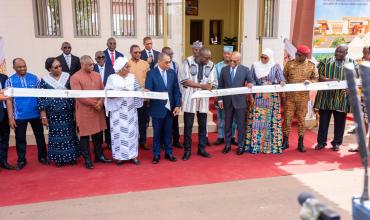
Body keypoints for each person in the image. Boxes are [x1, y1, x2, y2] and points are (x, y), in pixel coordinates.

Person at [6, 58, 48, 170]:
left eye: (24, 66)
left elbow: (41, 96)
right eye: (19, 67)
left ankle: (43, 157)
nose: (22, 68)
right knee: (20, 139)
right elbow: (9, 100)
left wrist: (42, 114)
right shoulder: (9, 81)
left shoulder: (34, 78)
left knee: (40, 137)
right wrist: (11, 117)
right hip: (19, 116)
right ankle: (21, 160)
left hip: (35, 114)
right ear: (14, 68)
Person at [70, 55, 112, 169]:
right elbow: (78, 96)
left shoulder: (97, 75)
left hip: (98, 109)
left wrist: (101, 102)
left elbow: (103, 91)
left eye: (93, 64)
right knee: (84, 136)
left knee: (98, 134)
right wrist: (95, 103)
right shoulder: (75, 77)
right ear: (83, 65)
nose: (93, 66)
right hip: (84, 111)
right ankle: (87, 159)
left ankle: (99, 156)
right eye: (90, 65)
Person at [37, 58, 80, 167]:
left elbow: (74, 94)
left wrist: (76, 112)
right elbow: (41, 98)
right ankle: (59, 158)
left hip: (68, 112)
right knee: (56, 136)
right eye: (56, 67)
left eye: (60, 66)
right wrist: (43, 115)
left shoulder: (67, 77)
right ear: (49, 69)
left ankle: (71, 157)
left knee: (70, 134)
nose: (59, 68)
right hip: (53, 114)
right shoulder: (45, 80)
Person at [314, 45, 355, 151]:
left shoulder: (352, 63)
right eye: (337, 51)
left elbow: (357, 78)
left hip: (342, 98)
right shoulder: (325, 62)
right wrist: (329, 80)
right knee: (323, 121)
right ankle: (321, 142)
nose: (338, 54)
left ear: (346, 53)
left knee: (340, 122)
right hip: (325, 97)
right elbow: (317, 76)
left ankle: (336, 143)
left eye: (341, 52)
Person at [105, 57, 143, 166]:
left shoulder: (132, 77)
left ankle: (133, 155)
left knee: (132, 133)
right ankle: (119, 157)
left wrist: (142, 90)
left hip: (130, 110)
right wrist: (121, 92)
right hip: (117, 111)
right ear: (121, 68)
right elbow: (108, 94)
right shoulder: (112, 78)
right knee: (118, 133)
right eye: (127, 66)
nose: (129, 68)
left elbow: (137, 90)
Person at [245, 48, 285, 154]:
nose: (263, 59)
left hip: (272, 97)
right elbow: (251, 79)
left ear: (270, 57)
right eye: (261, 57)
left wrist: (282, 82)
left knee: (270, 120)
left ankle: (269, 147)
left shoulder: (275, 66)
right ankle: (257, 145)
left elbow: (281, 78)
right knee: (259, 120)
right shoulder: (255, 65)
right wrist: (251, 84)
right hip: (259, 96)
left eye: (265, 58)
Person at [180, 47, 217, 160]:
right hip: (190, 98)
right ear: (199, 56)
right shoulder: (187, 62)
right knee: (188, 126)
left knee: (203, 126)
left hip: (203, 99)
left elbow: (213, 81)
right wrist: (202, 86)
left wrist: (211, 85)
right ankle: (187, 150)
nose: (208, 60)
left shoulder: (211, 64)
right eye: (206, 58)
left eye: (209, 58)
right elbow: (185, 80)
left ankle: (201, 149)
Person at [145, 53, 181, 164]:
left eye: (170, 61)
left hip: (170, 109)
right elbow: (149, 90)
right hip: (157, 109)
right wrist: (147, 92)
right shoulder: (151, 74)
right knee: (157, 133)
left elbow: (176, 91)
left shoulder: (172, 73)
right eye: (166, 62)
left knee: (168, 132)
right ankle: (156, 155)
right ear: (159, 62)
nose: (169, 64)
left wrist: (178, 105)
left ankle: (169, 153)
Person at [282, 45, 318, 152]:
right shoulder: (290, 64)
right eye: (296, 54)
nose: (297, 56)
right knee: (287, 120)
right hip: (290, 98)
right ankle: (285, 141)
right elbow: (284, 76)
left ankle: (300, 143)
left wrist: (310, 82)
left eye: (299, 55)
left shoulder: (311, 66)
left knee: (301, 121)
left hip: (302, 98)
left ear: (305, 56)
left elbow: (316, 78)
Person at [218, 52, 254, 155]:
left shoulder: (245, 69)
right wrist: (220, 99)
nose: (231, 63)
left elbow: (251, 81)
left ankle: (241, 146)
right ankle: (228, 144)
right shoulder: (224, 70)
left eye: (234, 61)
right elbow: (220, 85)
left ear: (239, 60)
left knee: (241, 125)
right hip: (227, 101)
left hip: (240, 101)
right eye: (230, 60)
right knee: (227, 124)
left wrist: (251, 84)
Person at [128, 44, 151, 150]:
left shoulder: (145, 64)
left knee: (143, 120)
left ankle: (143, 140)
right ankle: (132, 141)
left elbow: (149, 79)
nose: (137, 54)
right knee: (131, 120)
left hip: (143, 97)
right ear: (131, 53)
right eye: (135, 52)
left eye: (139, 52)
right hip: (130, 98)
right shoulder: (127, 64)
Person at [214, 46, 237, 145]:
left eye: (229, 53)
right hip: (221, 96)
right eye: (225, 53)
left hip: (233, 97)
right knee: (221, 117)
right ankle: (220, 137)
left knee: (233, 118)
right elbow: (215, 81)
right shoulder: (218, 66)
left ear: (231, 55)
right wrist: (217, 94)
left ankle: (232, 137)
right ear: (223, 54)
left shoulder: (236, 66)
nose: (227, 55)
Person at [162, 46, 183, 148]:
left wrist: (179, 97)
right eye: (168, 54)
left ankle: (176, 140)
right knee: (163, 120)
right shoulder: (158, 65)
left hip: (173, 97)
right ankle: (164, 141)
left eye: (172, 54)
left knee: (175, 119)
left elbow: (178, 83)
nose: (171, 56)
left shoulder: (175, 65)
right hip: (162, 99)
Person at [94, 51, 115, 151]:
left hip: (108, 100)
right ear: (95, 59)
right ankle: (98, 144)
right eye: (99, 57)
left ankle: (109, 142)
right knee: (97, 123)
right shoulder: (92, 68)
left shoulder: (111, 69)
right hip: (96, 100)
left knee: (108, 122)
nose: (101, 59)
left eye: (103, 57)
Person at [0, 73, 15, 170]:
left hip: (5, 112)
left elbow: (10, 93)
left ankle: (3, 162)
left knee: (5, 138)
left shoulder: (4, 77)